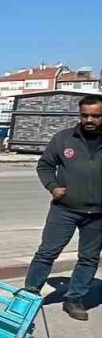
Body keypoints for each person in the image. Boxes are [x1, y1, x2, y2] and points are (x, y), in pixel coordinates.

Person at [24, 95, 102, 321]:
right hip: (64, 209)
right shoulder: (64, 139)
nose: (89, 119)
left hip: (97, 215)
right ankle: (29, 296)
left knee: (89, 258)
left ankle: (74, 299)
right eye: (84, 115)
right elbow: (45, 166)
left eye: (96, 116)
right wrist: (53, 187)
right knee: (47, 253)